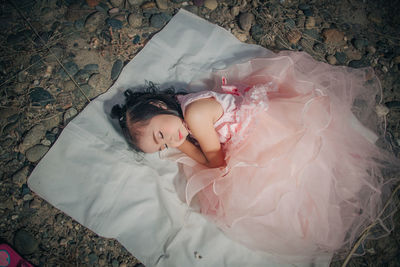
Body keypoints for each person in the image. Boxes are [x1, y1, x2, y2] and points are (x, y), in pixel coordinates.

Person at [111, 52, 399, 263]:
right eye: (161, 147)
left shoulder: (195, 116)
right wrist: (180, 140)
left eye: (161, 134)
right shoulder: (184, 107)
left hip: (263, 130)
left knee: (266, 191)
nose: (169, 143)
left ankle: (339, 183)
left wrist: (186, 146)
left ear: (158, 105)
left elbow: (215, 162)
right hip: (256, 120)